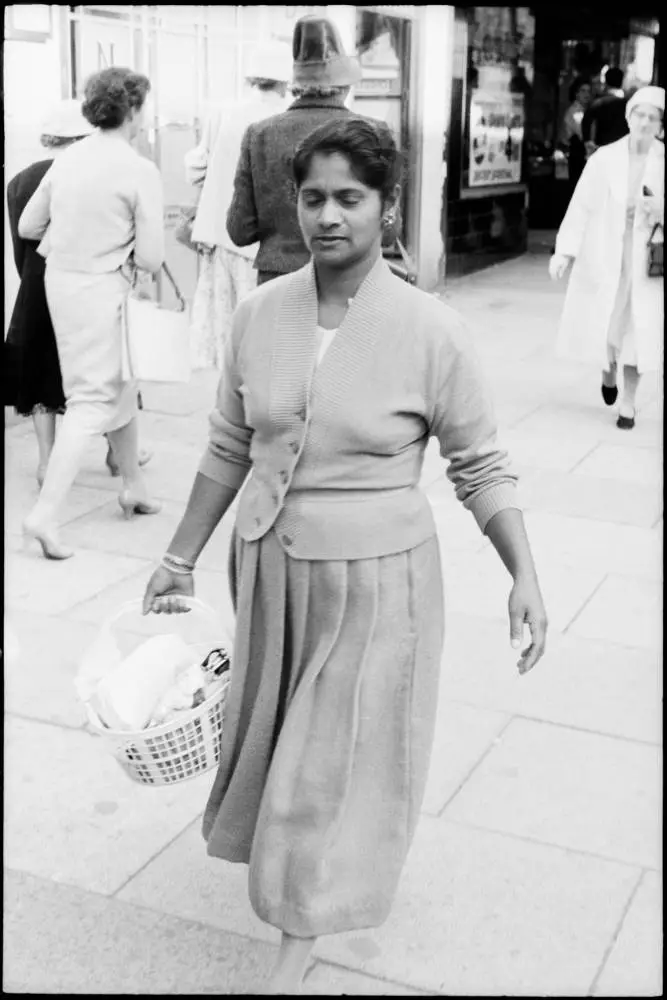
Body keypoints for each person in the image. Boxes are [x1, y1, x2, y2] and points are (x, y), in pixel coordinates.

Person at [142, 117, 547, 995]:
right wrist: (177, 558)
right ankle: (308, 890)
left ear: (386, 207)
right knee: (281, 744)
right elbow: (227, 445)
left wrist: (524, 575)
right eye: (314, 198)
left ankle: (298, 940)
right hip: (270, 572)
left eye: (350, 199)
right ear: (295, 202)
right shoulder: (261, 313)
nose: (329, 217)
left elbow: (478, 462)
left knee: (326, 764)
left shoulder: (430, 330)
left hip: (376, 585)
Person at [19, 67, 165, 560]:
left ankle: (135, 487)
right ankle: (44, 515)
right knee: (89, 401)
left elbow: (28, 224)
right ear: (134, 111)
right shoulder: (139, 169)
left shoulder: (68, 159)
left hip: (63, 284)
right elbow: (150, 258)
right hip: (105, 290)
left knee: (120, 385)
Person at [4, 100, 152, 489]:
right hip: (86, 287)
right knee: (105, 375)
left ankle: (45, 460)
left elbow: (22, 242)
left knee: (39, 374)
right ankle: (117, 455)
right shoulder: (92, 171)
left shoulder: (19, 179)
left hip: (36, 290)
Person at [549, 86, 664, 430]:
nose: (645, 122)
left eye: (653, 117)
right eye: (639, 114)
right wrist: (565, 250)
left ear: (660, 125)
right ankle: (608, 370)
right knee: (609, 324)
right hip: (606, 255)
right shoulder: (604, 159)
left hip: (645, 261)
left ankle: (628, 402)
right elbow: (581, 207)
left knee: (637, 328)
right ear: (629, 117)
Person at [226, 14, 362, 286]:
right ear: (345, 85)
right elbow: (391, 230)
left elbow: (240, 230)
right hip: (350, 284)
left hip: (278, 286)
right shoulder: (374, 134)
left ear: (295, 85)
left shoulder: (259, 135)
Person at [184, 41, 291, 368]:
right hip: (264, 245)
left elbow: (195, 170)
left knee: (228, 334)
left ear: (250, 79)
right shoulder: (285, 117)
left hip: (221, 237)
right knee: (263, 337)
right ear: (286, 81)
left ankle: (230, 402)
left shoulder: (223, 114)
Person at [581, 66, 628, 156]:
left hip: (601, 149)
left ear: (606, 82)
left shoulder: (598, 103)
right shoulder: (629, 104)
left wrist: (588, 142)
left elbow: (586, 122)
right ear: (622, 81)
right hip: (623, 151)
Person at [559, 76, 592, 192]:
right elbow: (583, 134)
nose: (586, 94)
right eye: (583, 91)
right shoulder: (575, 112)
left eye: (588, 91)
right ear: (576, 93)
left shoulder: (585, 110)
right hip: (575, 156)